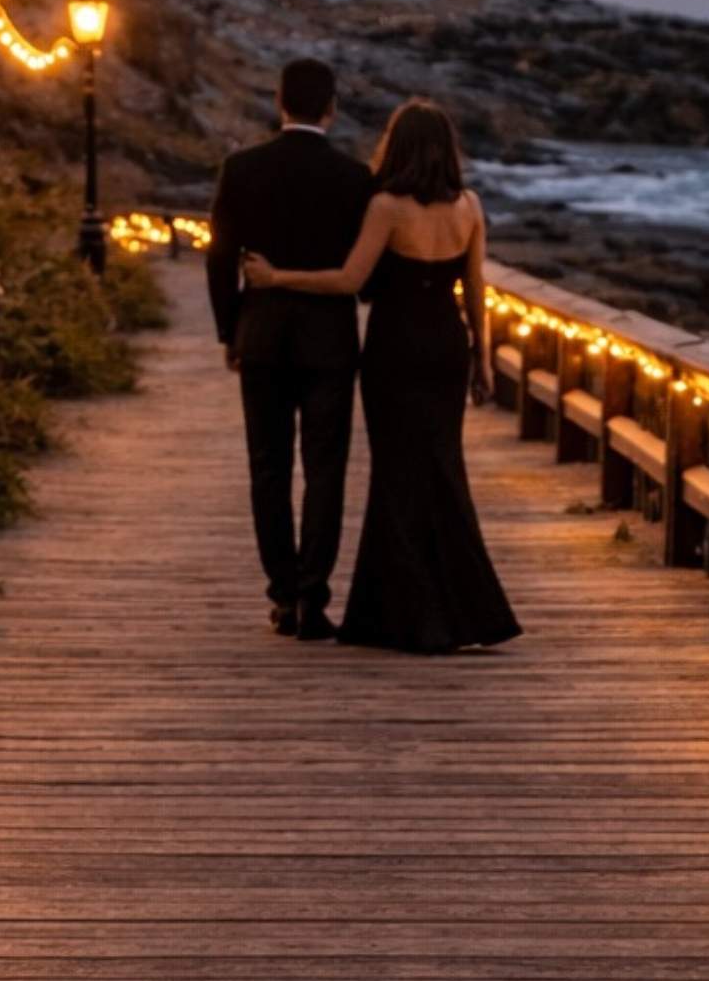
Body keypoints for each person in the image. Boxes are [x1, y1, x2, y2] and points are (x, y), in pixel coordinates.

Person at [242, 98, 520, 654]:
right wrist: (483, 360)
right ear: (446, 149)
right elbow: (476, 290)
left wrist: (278, 278)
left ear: (398, 146)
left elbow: (349, 281)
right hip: (447, 347)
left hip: (395, 348)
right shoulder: (469, 206)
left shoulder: (387, 207)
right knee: (444, 470)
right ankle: (467, 611)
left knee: (395, 474)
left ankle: (400, 613)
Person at [206, 57, 374, 639]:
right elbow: (369, 278)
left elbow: (219, 256)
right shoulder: (355, 179)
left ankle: (281, 593)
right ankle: (313, 597)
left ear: (279, 103)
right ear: (331, 107)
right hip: (330, 342)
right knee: (325, 471)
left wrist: (230, 330)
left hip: (263, 337)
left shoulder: (242, 168)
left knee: (269, 468)